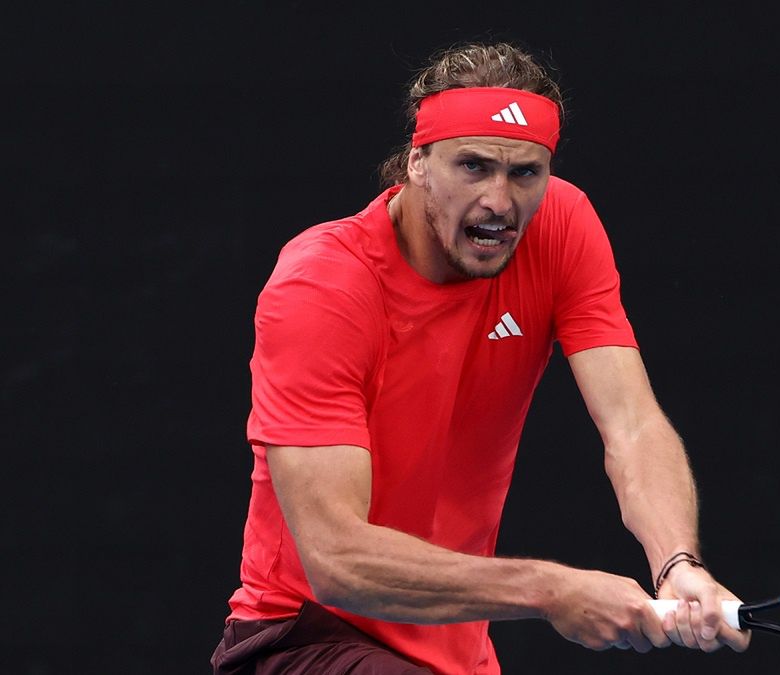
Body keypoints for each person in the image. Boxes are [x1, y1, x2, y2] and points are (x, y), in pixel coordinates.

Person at [212, 41, 750, 675]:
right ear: (416, 163)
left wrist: (676, 563)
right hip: (301, 637)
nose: (500, 200)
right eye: (473, 166)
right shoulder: (322, 286)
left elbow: (631, 426)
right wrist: (552, 590)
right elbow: (336, 560)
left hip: (453, 648)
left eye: (525, 173)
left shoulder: (563, 227)